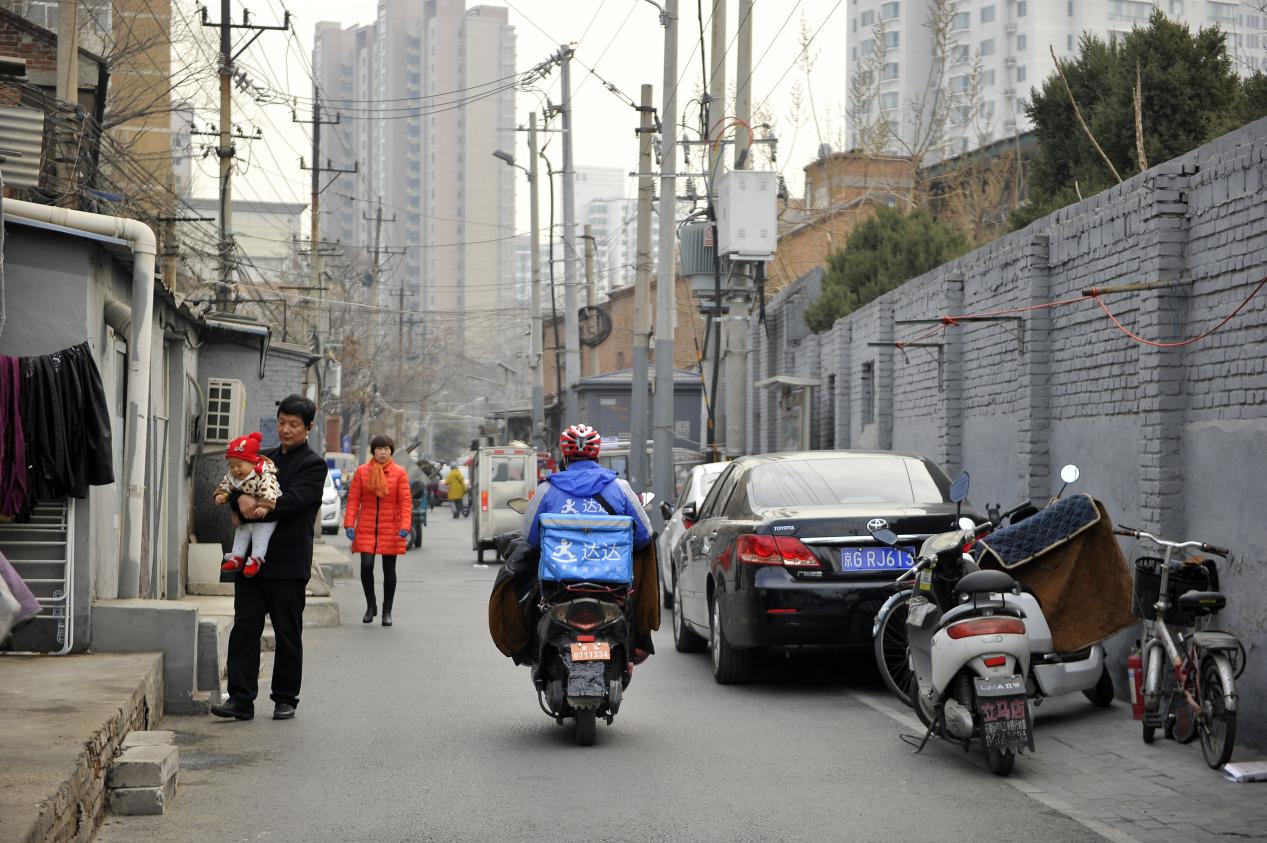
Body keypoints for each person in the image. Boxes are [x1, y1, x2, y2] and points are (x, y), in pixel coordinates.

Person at [211, 395, 327, 722]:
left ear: (308, 428)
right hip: (250, 561)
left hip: (288, 563)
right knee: (245, 628)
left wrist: (249, 502)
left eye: (293, 424)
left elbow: (292, 502)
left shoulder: (313, 465)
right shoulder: (261, 459)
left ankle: (285, 697)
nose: (285, 430)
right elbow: (235, 486)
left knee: (287, 632)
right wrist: (239, 501)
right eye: (281, 422)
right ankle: (240, 699)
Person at [520, 423, 655, 660]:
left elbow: (530, 538)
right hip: (612, 586)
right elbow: (644, 537)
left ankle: (528, 648)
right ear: (598, 455)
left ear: (565, 456)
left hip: (558, 586)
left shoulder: (546, 489)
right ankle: (638, 639)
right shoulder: (621, 488)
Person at [343, 435, 412, 627]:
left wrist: (405, 525)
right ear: (373, 451)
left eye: (386, 449)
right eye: (379, 449)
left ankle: (387, 611)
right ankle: (370, 605)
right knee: (366, 565)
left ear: (391, 451)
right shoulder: (362, 472)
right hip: (366, 526)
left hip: (391, 527)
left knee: (389, 570)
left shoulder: (399, 473)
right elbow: (353, 499)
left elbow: (405, 502)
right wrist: (349, 523)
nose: (383, 452)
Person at [214, 431, 282, 578]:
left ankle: (256, 559)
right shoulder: (233, 476)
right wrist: (220, 495)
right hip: (247, 513)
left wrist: (265, 506)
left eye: (239, 465)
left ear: (252, 462)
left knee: (260, 534)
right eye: (231, 466)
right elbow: (225, 485)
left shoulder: (264, 474)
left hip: (267, 510)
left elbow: (270, 489)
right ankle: (237, 557)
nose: (235, 469)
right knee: (241, 531)